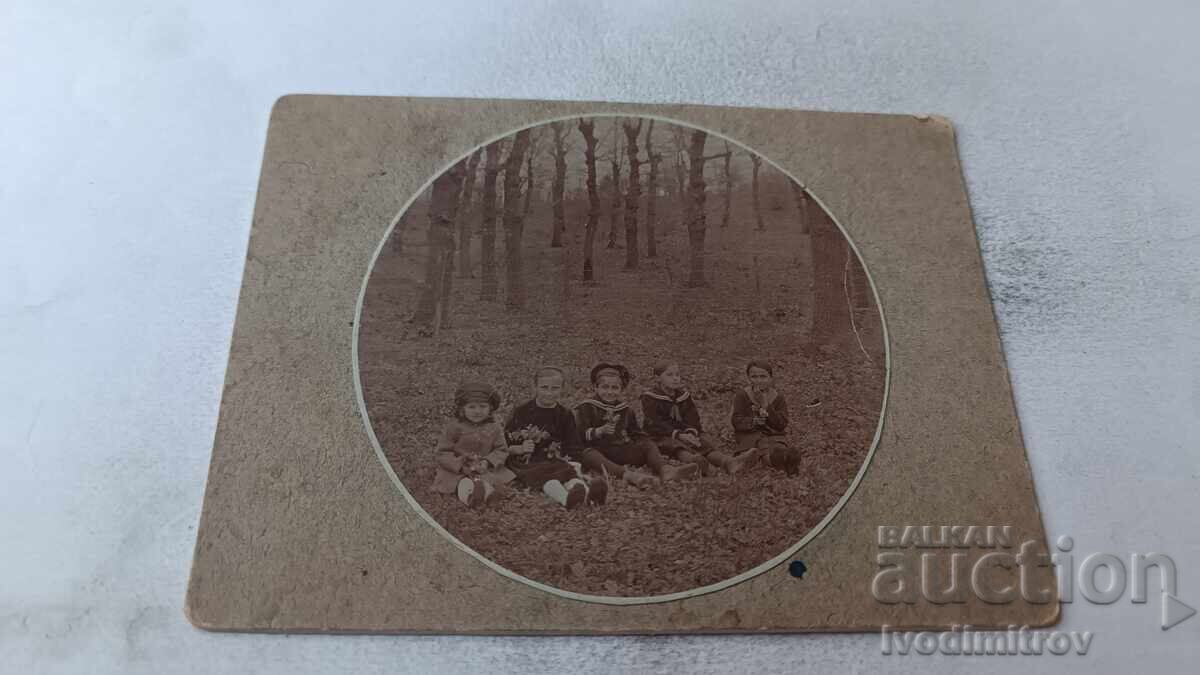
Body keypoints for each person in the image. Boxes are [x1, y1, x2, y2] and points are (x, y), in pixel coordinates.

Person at [575, 363, 699, 487]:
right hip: (599, 452)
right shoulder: (586, 407)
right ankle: (630, 476)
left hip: (620, 449)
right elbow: (578, 435)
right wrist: (599, 431)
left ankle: (666, 470)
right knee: (588, 454)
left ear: (621, 389)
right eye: (605, 387)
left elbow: (637, 434)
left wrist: (645, 444)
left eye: (615, 388)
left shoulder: (625, 410)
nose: (610, 392)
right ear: (595, 388)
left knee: (647, 444)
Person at [505, 366, 607, 508]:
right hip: (528, 460)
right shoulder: (522, 411)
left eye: (555, 388)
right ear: (535, 387)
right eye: (544, 388)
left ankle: (589, 495)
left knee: (569, 474)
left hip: (554, 458)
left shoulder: (564, 414)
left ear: (562, 389)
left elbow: (573, 444)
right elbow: (507, 441)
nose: (549, 393)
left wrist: (574, 461)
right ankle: (566, 500)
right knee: (547, 477)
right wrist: (520, 448)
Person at [640, 362, 755, 476]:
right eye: (669, 375)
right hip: (660, 434)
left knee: (700, 442)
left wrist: (690, 432)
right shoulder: (650, 397)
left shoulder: (683, 396)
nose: (675, 379)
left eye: (677, 375)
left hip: (684, 431)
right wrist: (679, 435)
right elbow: (655, 423)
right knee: (674, 445)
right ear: (657, 378)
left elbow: (692, 418)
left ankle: (728, 462)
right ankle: (694, 462)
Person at [431, 382, 516, 508]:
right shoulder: (454, 427)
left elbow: (501, 450)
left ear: (490, 408)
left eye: (482, 407)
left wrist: (488, 462)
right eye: (471, 407)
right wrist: (459, 465)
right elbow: (442, 452)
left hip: (483, 467)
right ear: (462, 409)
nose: (477, 411)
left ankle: (488, 494)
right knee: (459, 482)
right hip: (457, 469)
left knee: (490, 479)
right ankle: (470, 497)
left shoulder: (494, 428)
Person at [730, 361, 799, 475]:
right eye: (754, 377)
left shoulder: (777, 397)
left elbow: (781, 424)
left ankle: (785, 459)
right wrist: (754, 421)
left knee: (775, 448)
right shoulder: (742, 395)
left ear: (771, 378)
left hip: (772, 434)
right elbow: (736, 420)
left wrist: (766, 405)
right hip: (749, 434)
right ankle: (761, 461)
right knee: (754, 449)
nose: (758, 380)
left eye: (763, 377)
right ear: (748, 378)